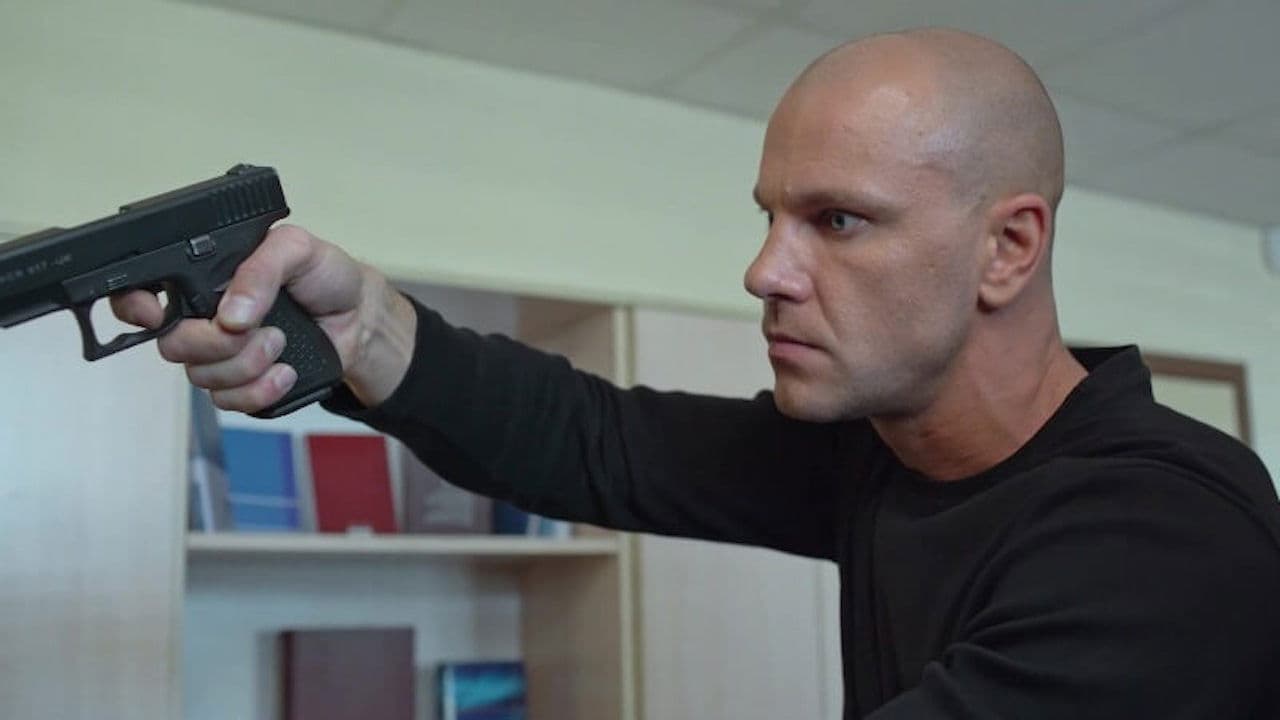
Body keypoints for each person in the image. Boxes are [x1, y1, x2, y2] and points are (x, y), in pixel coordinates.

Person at [114, 28, 1280, 718]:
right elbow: (598, 441)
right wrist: (366, 326)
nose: (764, 271)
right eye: (770, 217)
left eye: (837, 220)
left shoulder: (1165, 533)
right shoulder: (877, 453)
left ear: (1006, 248)